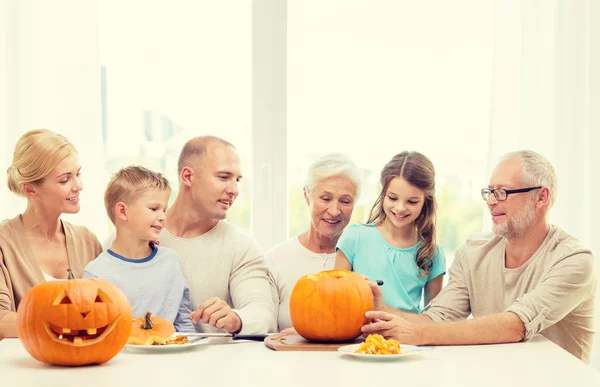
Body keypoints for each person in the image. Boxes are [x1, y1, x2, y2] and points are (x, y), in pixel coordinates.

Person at [361, 150, 597, 363]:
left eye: (502, 192)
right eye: (489, 192)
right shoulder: (473, 253)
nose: (491, 202)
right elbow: (438, 319)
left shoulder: (574, 261)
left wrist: (417, 334)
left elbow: (516, 325)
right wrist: (383, 310)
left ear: (541, 197)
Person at [157, 136, 275, 334]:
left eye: (237, 180)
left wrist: (237, 318)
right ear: (188, 177)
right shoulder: (136, 237)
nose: (234, 190)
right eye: (223, 177)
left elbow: (263, 314)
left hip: (214, 364)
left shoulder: (240, 246)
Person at [0, 129, 102, 338]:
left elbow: (107, 303)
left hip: (87, 365)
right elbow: (2, 321)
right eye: (65, 180)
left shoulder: (87, 241)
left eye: (78, 174)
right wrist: (67, 320)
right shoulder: (4, 244)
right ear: (30, 190)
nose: (79, 186)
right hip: (25, 368)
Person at [83, 166, 194, 332]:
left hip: (171, 355)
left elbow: (183, 321)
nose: (162, 216)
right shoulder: (96, 273)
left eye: (164, 209)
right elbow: (94, 331)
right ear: (122, 211)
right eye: (154, 208)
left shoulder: (171, 261)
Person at [336, 151, 446, 313]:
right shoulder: (355, 237)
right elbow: (333, 300)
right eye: (393, 198)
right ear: (383, 194)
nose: (400, 208)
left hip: (407, 337)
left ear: (426, 201)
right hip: (360, 337)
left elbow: (434, 319)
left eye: (412, 201)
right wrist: (353, 286)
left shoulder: (432, 253)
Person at [265, 153, 361, 330]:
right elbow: (265, 330)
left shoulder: (364, 259)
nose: (334, 211)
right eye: (325, 198)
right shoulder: (276, 259)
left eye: (345, 201)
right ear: (306, 196)